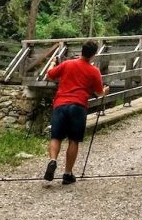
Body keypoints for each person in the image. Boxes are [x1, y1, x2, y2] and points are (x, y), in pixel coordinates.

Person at [43, 40, 108, 185]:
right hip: (78, 106)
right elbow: (99, 93)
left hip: (60, 104)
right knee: (74, 140)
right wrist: (105, 91)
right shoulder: (94, 71)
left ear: (81, 51)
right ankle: (67, 174)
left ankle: (52, 160)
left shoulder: (67, 64)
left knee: (56, 137)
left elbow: (50, 75)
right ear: (93, 55)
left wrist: (53, 63)